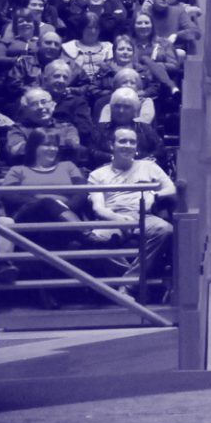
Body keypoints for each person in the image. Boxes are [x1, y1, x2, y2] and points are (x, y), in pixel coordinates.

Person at [85, 126, 177, 300]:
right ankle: (136, 283)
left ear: (137, 146)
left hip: (143, 216)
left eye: (132, 142)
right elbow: (99, 208)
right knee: (93, 241)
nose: (127, 145)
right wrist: (118, 219)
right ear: (111, 144)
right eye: (122, 141)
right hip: (113, 218)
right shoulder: (97, 174)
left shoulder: (149, 167)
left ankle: (126, 285)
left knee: (166, 230)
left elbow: (171, 188)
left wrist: (154, 195)